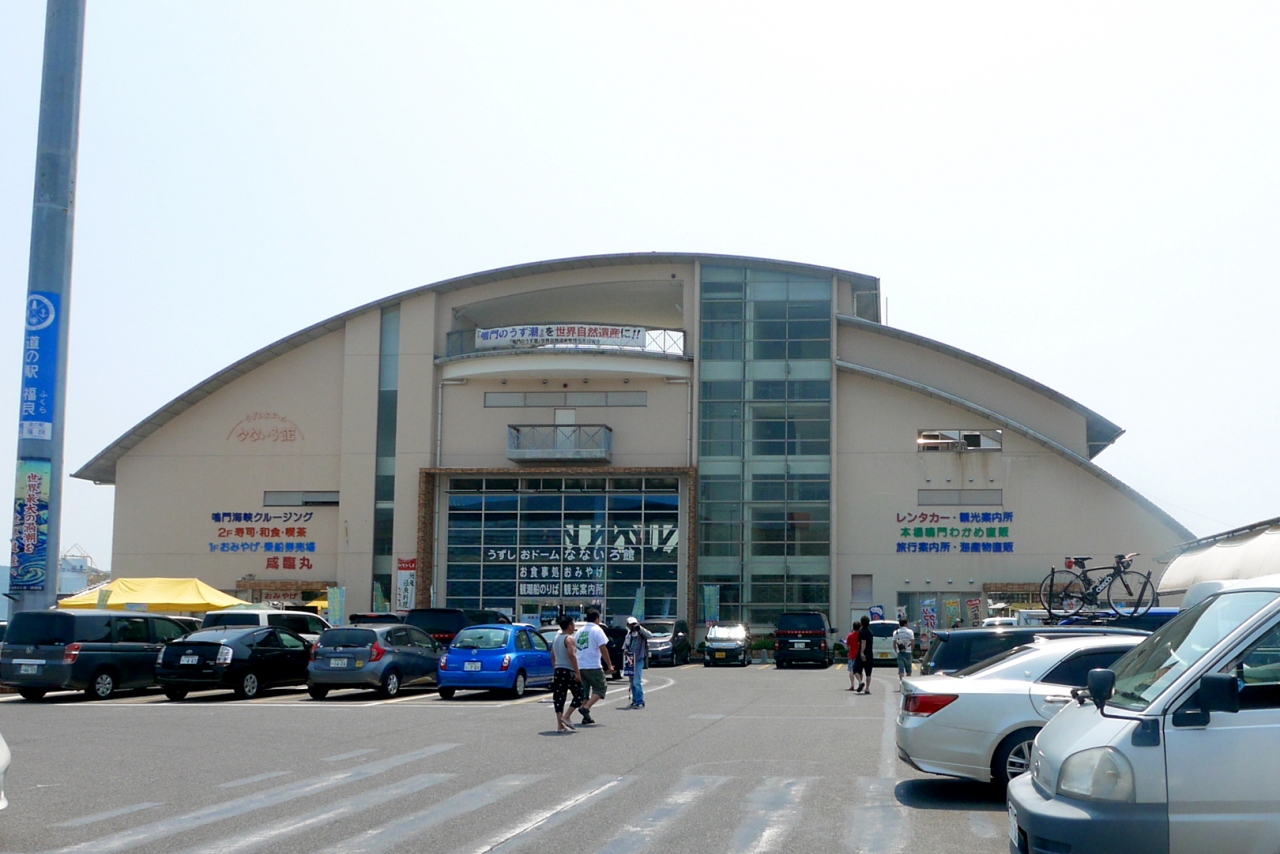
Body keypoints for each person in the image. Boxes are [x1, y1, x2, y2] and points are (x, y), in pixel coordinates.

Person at [574, 608, 615, 724]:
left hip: (580, 665)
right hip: (593, 665)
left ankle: (585, 717)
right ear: (597, 618)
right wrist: (610, 665)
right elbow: (603, 648)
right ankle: (585, 708)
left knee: (585, 692)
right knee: (601, 688)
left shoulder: (580, 631)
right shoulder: (597, 630)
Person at [550, 615, 584, 732]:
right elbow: (572, 655)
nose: (574, 627)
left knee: (559, 697)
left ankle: (560, 725)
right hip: (568, 670)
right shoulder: (569, 639)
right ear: (569, 626)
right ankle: (567, 716)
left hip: (558, 670)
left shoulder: (556, 639)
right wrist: (577, 672)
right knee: (580, 694)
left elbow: (552, 655)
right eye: (573, 624)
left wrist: (555, 667)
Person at [623, 616, 652, 708]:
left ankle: (640, 701)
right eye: (631, 624)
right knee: (632, 682)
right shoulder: (629, 634)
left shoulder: (640, 633)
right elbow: (625, 645)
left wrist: (640, 628)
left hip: (639, 658)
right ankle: (635, 700)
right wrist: (625, 650)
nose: (632, 626)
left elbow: (650, 635)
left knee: (636, 681)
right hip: (630, 660)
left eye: (634, 624)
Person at [892, 617, 915, 683]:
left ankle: (901, 683)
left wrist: (896, 650)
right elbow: (913, 642)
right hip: (908, 652)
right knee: (909, 670)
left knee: (901, 670)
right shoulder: (910, 632)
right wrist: (911, 650)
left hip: (900, 652)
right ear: (905, 624)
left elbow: (894, 644)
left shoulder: (896, 632)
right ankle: (908, 683)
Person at [855, 615, 874, 694]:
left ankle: (860, 682)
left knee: (856, 670)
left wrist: (862, 652)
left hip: (863, 653)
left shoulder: (862, 631)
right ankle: (867, 688)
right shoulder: (870, 632)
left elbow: (863, 642)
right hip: (870, 653)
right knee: (868, 673)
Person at [846, 623, 863, 691]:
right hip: (859, 654)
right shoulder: (861, 635)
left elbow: (848, 645)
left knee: (851, 670)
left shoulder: (850, 635)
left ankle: (852, 685)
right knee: (860, 670)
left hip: (852, 654)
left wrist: (849, 651)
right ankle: (860, 683)